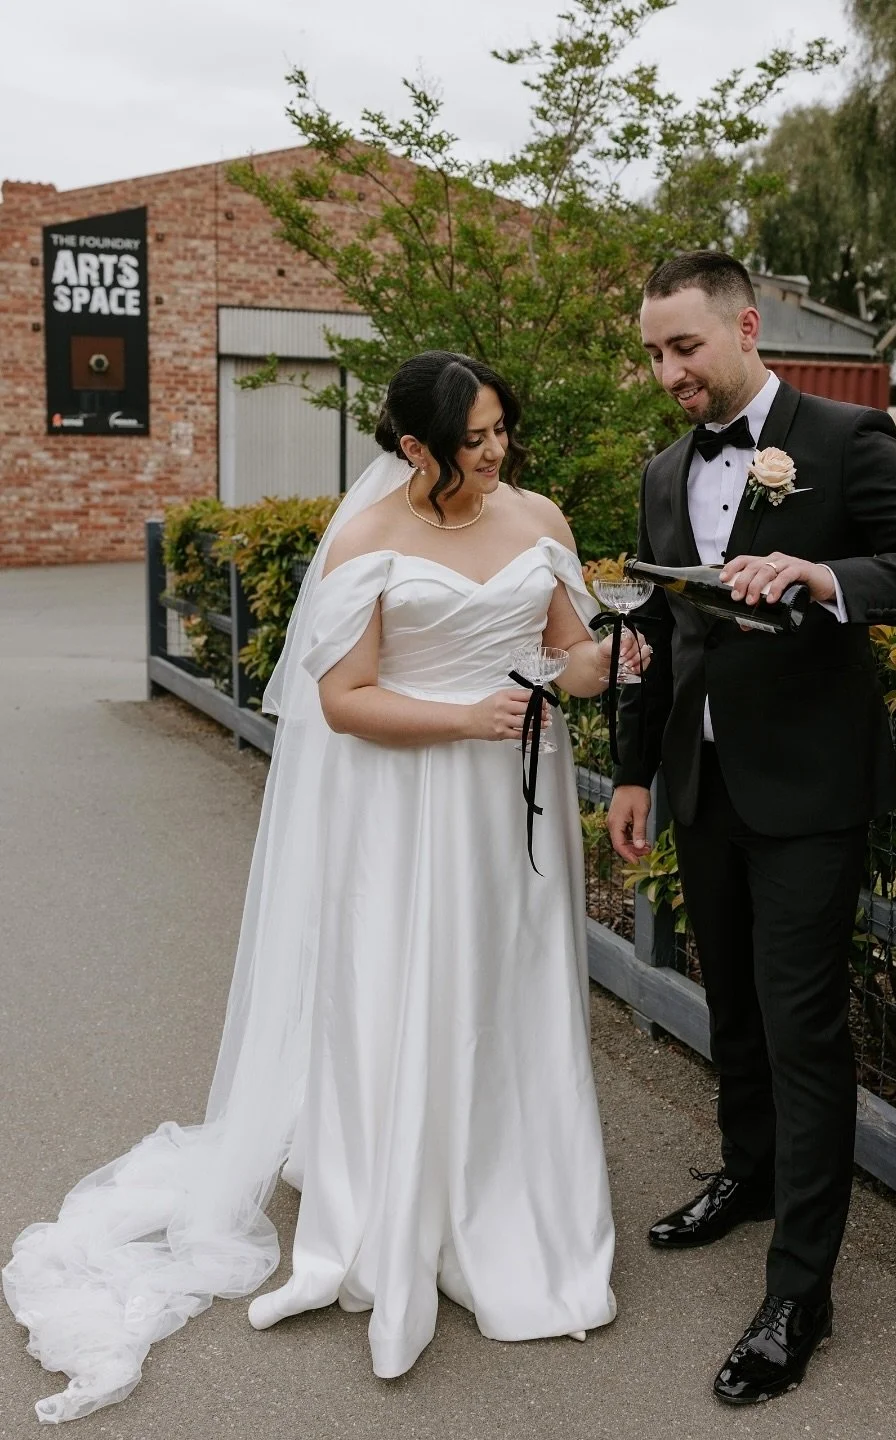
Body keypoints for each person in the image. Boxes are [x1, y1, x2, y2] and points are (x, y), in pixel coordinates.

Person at [5, 351, 636, 1424]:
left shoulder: (541, 517)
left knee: (505, 999)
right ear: (413, 450)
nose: (496, 454)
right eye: (474, 440)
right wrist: (470, 716)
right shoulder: (368, 537)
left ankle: (513, 1209)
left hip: (507, 813)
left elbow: (568, 653)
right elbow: (342, 701)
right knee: (396, 998)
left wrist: (608, 664)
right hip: (402, 808)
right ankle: (382, 1218)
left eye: (500, 432)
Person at [607, 253, 896, 1407]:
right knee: (733, 1006)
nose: (668, 372)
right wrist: (632, 772)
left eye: (685, 348)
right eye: (655, 354)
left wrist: (823, 576)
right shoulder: (664, 471)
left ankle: (799, 1294)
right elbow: (664, 641)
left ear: (747, 327)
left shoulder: (842, 438)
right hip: (703, 790)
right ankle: (750, 1175)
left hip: (812, 798)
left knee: (805, 1033)